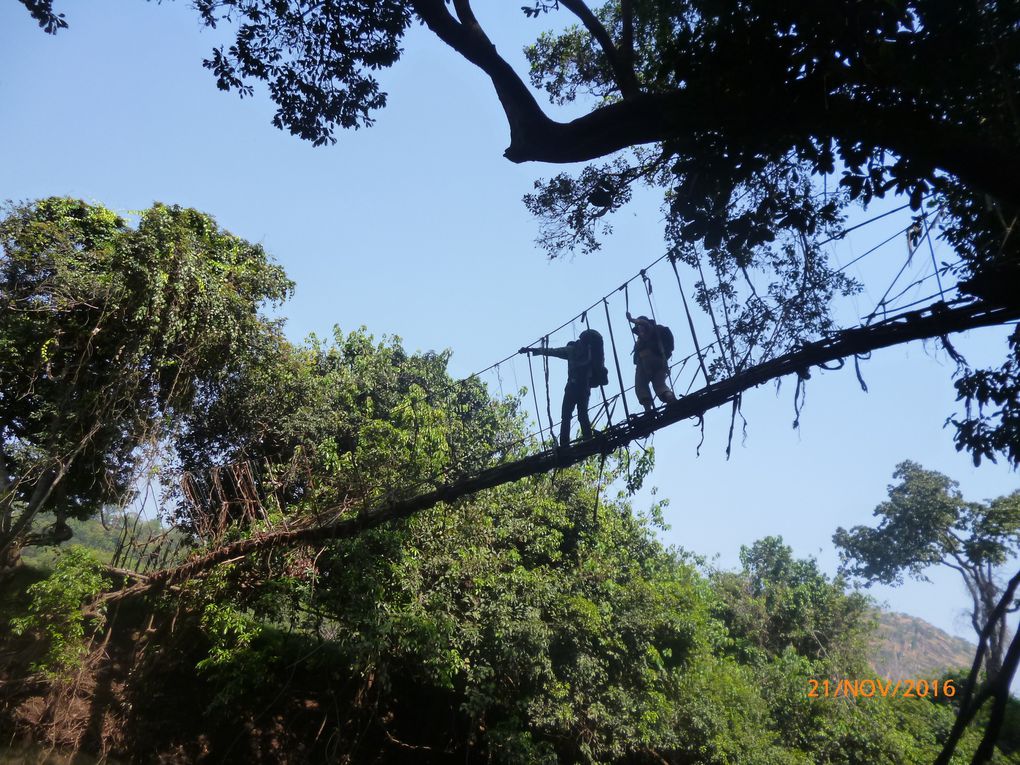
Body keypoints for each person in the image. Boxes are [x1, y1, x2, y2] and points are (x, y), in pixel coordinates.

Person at [519, 329, 604, 447]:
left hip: (573, 387)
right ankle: (587, 437)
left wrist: (532, 350)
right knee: (582, 414)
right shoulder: (591, 352)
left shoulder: (571, 350)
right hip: (584, 388)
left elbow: (552, 351)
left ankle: (565, 444)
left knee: (566, 416)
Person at [627, 312, 676, 413]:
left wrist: (632, 319)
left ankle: (648, 410)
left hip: (646, 361)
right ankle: (670, 397)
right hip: (661, 362)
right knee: (660, 384)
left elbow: (643, 323)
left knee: (640, 385)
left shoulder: (650, 329)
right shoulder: (649, 335)